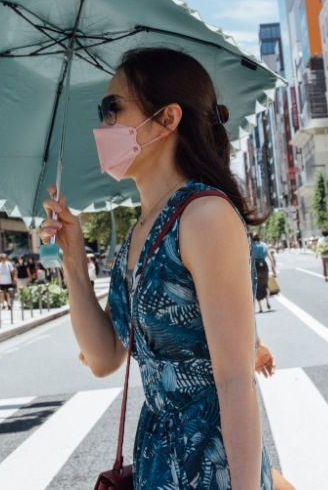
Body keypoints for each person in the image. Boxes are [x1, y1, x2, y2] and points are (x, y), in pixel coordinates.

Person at [40, 47, 278, 488]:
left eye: (114, 109)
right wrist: (73, 262)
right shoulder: (140, 231)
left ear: (168, 119)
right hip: (156, 461)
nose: (103, 126)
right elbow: (104, 358)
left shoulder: (204, 215)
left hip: (212, 467)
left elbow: (234, 381)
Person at [251, 233, 273, 313]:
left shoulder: (251, 246)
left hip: (255, 266)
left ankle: (260, 307)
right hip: (264, 265)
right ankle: (267, 301)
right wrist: (273, 267)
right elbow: (269, 256)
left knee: (256, 286)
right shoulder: (264, 245)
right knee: (265, 284)